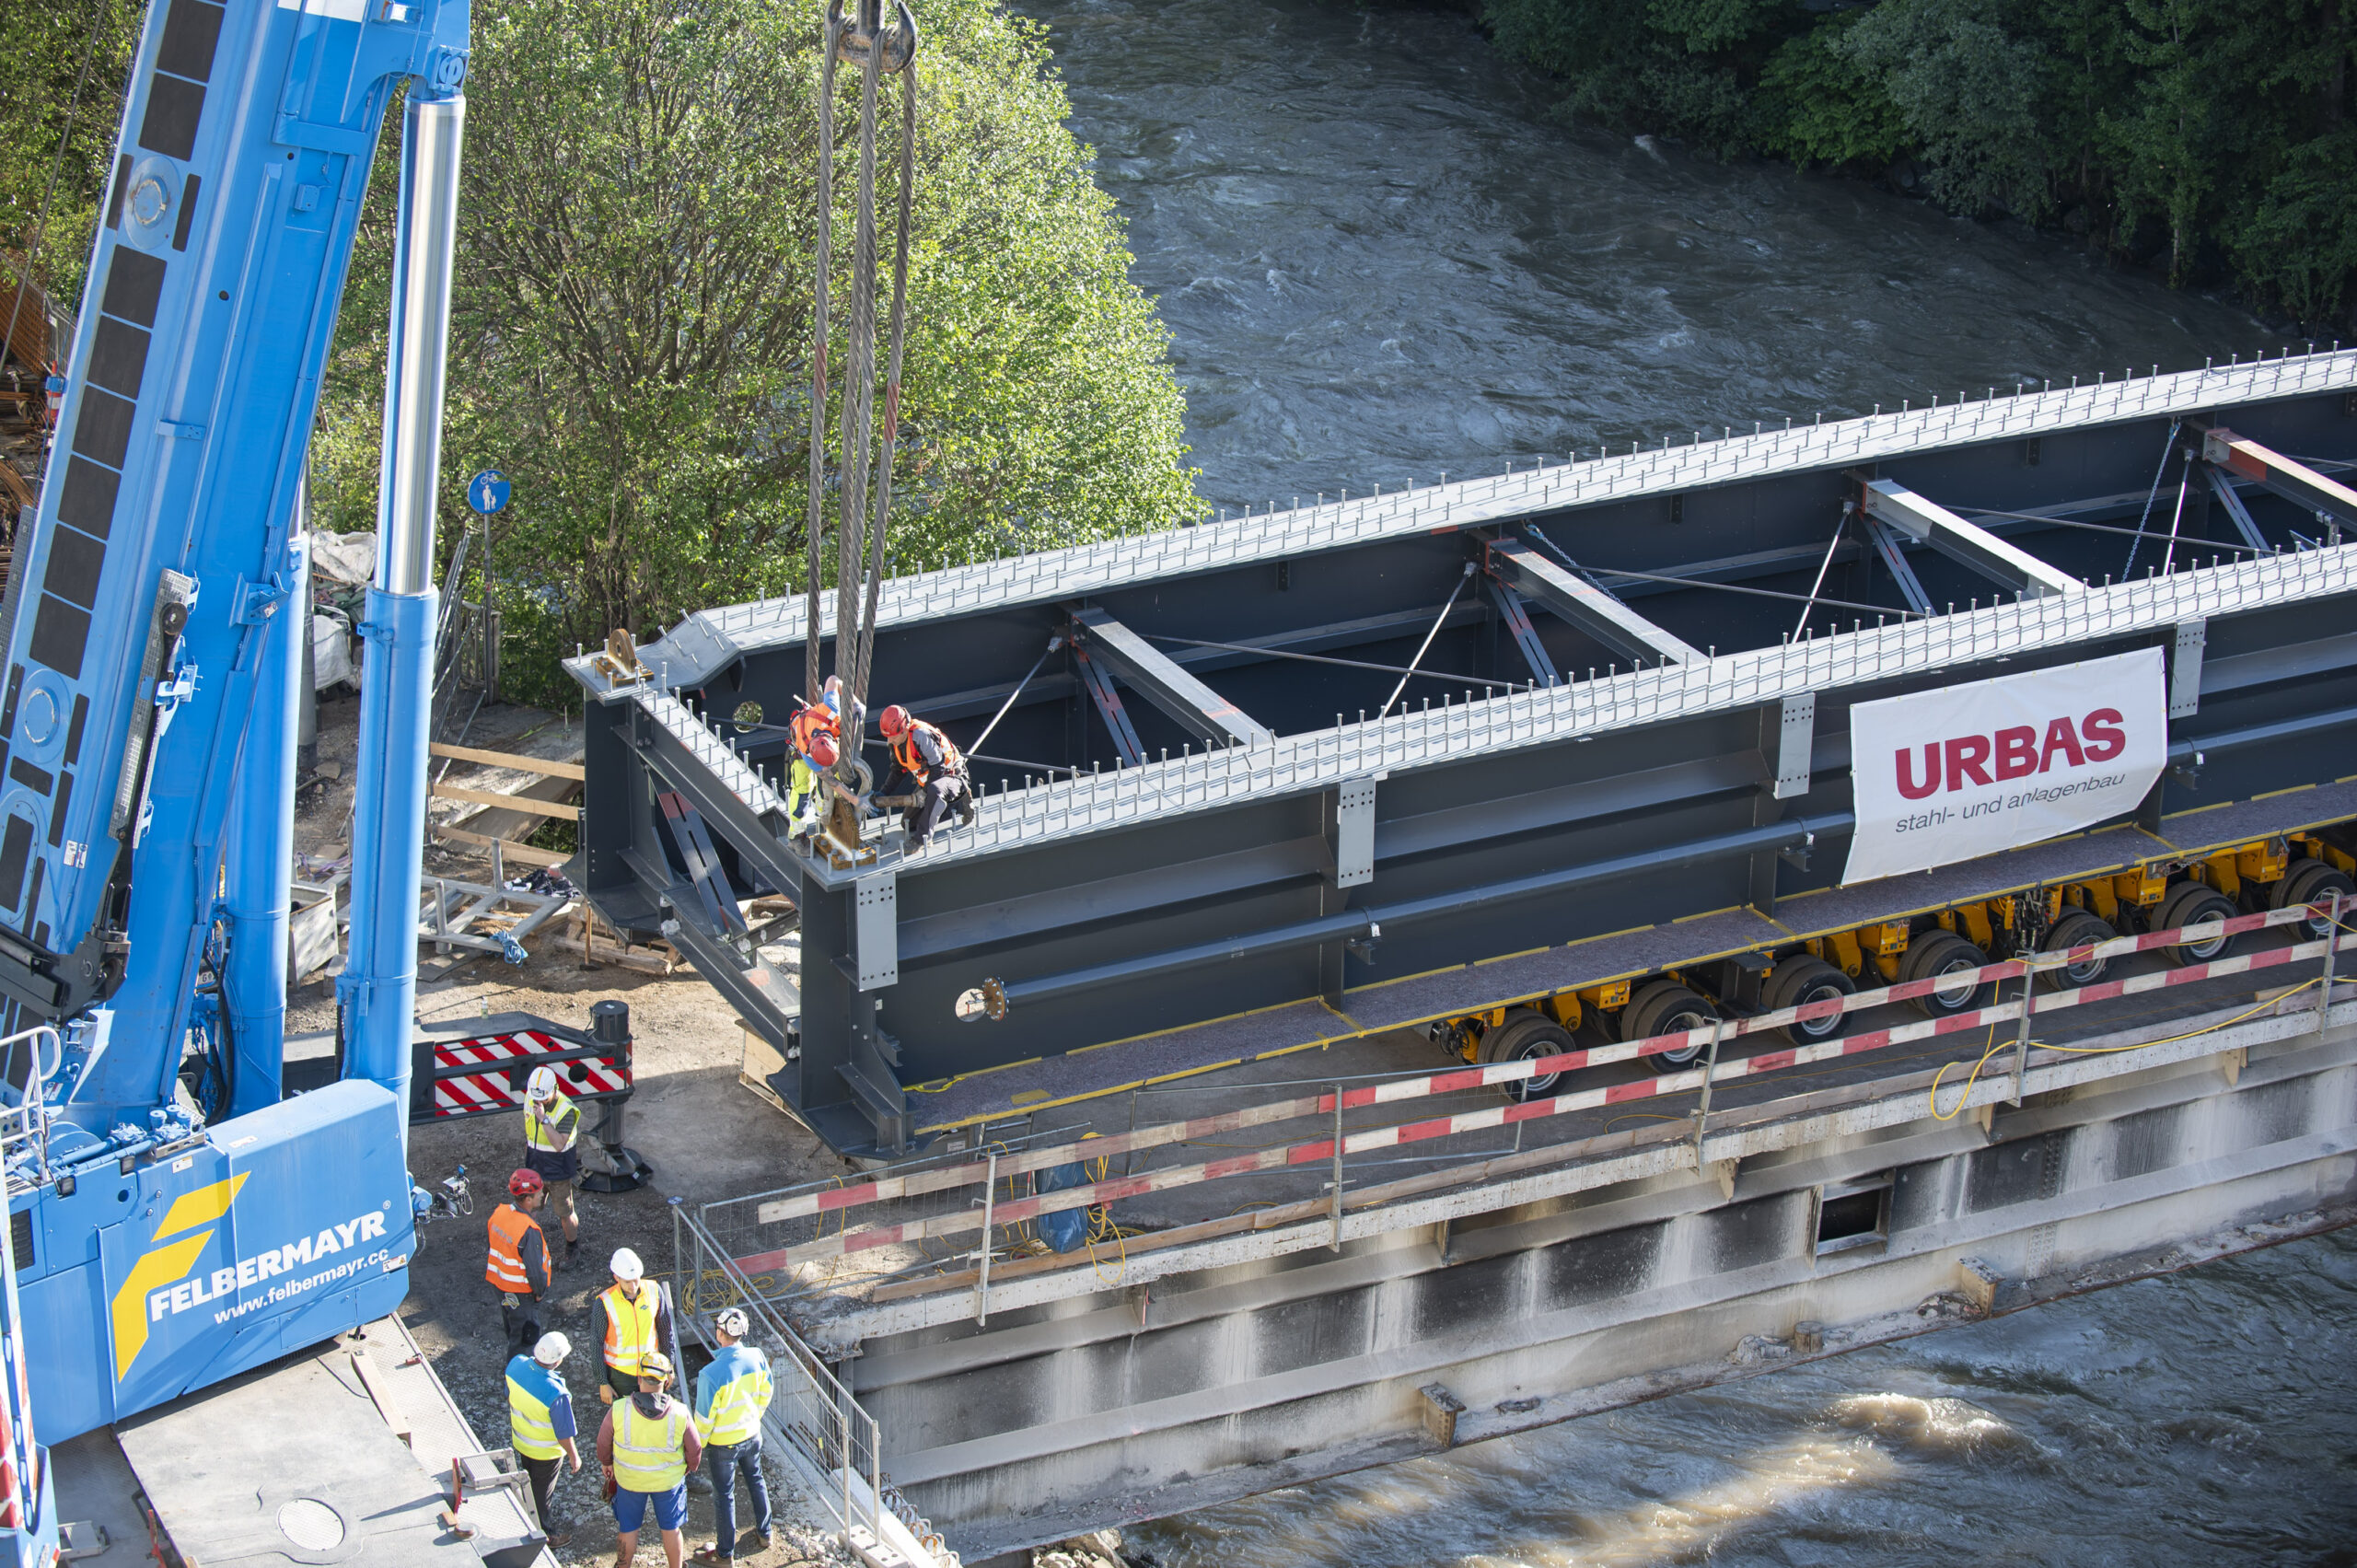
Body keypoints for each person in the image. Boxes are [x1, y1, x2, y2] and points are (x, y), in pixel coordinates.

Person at [597, 1350, 699, 1568]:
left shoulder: (619, 1408)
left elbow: (603, 1442)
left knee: (628, 1529)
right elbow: (695, 1449)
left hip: (629, 1481)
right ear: (667, 1381)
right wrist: (688, 1469)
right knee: (671, 1529)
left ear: (639, 1378)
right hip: (668, 1483)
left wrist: (607, 1463)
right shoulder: (680, 1412)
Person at [691, 1308, 776, 1564]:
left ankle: (725, 1554)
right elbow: (767, 1392)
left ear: (719, 1332)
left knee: (724, 1496)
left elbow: (704, 1420)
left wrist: (698, 1446)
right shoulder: (757, 1357)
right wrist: (753, 1418)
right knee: (756, 1480)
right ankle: (765, 1533)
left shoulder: (711, 1374)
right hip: (751, 1435)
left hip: (722, 1446)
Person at [506, 1331, 583, 1547]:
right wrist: (573, 1456)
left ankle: (524, 1513)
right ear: (557, 1361)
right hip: (545, 1454)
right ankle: (544, 1534)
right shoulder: (557, 1393)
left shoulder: (515, 1365)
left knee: (528, 1482)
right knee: (542, 1494)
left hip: (520, 1441)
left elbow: (508, 1393)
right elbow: (564, 1433)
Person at [876, 704, 974, 850]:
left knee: (935, 790)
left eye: (893, 737)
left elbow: (939, 768)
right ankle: (959, 806)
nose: (890, 741)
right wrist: (883, 793)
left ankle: (923, 839)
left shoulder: (920, 736)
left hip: (953, 777)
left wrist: (924, 792)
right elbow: (898, 770)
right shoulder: (896, 743)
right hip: (931, 781)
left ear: (903, 729)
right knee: (908, 823)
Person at [590, 1247, 673, 1404]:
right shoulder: (604, 1302)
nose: (633, 1286)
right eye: (627, 1282)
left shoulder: (654, 1291)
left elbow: (665, 1330)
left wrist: (670, 1365)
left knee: (652, 1417)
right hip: (620, 1376)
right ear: (616, 1277)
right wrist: (603, 1382)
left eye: (636, 1280)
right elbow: (596, 1343)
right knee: (625, 1420)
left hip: (651, 1370)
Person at [522, 1065, 584, 1269]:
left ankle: (572, 1248)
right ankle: (528, 1248)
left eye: (544, 1098)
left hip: (558, 1171)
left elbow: (559, 1144)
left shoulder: (566, 1110)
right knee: (529, 1210)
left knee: (565, 1212)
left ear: (555, 1089)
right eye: (536, 1097)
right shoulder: (531, 1097)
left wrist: (544, 1119)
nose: (539, 1102)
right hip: (535, 1167)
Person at [486, 1169, 553, 1358]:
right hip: (521, 1295)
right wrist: (539, 1292)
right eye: (539, 1192)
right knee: (525, 1340)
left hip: (501, 1287)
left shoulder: (499, 1214)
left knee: (513, 1327)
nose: (542, 1194)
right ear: (528, 1200)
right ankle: (516, 1380)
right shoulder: (529, 1230)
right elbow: (535, 1271)